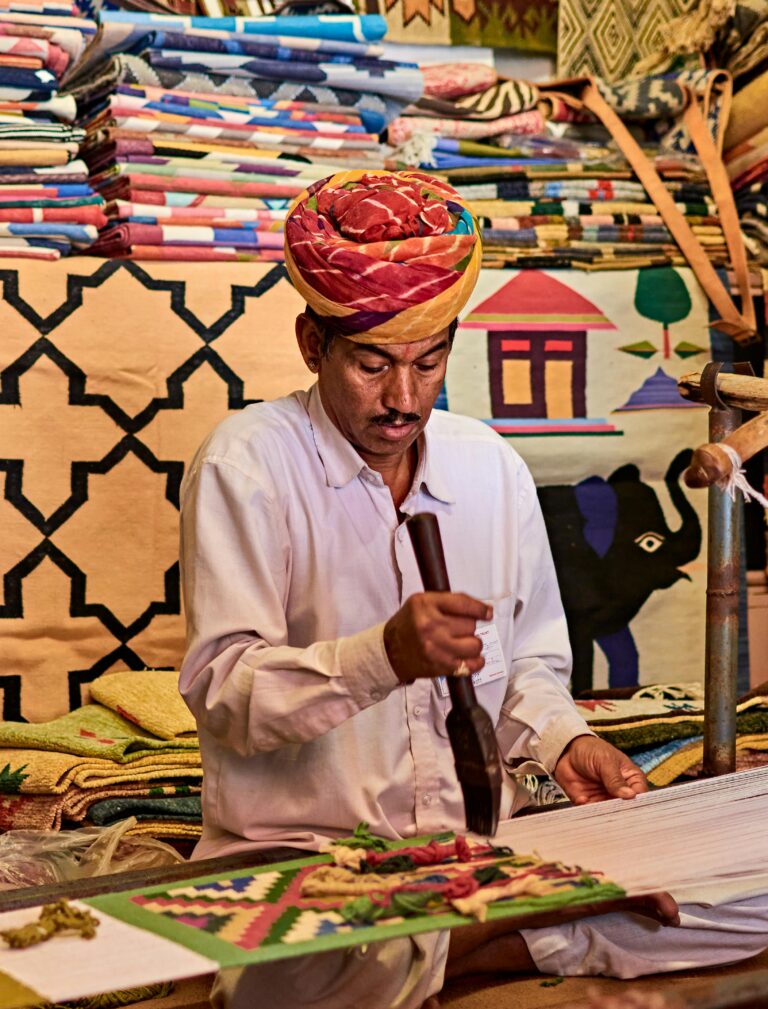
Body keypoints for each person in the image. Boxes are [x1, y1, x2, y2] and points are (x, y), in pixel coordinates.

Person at [179, 170, 768, 1009]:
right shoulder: (246, 465)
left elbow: (528, 663)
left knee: (747, 895)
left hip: (480, 850)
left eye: (428, 361)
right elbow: (227, 694)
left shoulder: (488, 465)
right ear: (313, 345)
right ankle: (506, 935)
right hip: (316, 868)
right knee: (299, 971)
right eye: (372, 363)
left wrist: (564, 741)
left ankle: (487, 932)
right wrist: (382, 655)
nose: (403, 398)